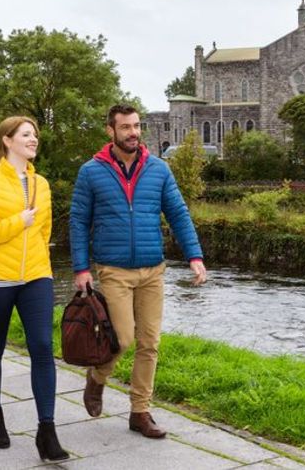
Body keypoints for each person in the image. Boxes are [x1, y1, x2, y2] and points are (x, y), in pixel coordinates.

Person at [70, 104, 207, 438]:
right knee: (123, 338)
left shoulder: (159, 169)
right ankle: (97, 378)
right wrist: (81, 268)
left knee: (150, 342)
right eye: (126, 127)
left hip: (152, 269)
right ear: (111, 131)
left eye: (136, 126)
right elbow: (78, 221)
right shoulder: (91, 171)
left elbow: (178, 213)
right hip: (113, 268)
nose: (133, 132)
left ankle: (140, 412)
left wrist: (194, 255)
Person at [0, 116, 67, 461]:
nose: (33, 139)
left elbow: (44, 231)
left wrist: (37, 259)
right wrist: (16, 222)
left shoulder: (43, 184)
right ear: (7, 141)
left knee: (42, 346)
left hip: (36, 275)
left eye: (35, 135)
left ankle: (47, 431)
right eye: (26, 134)